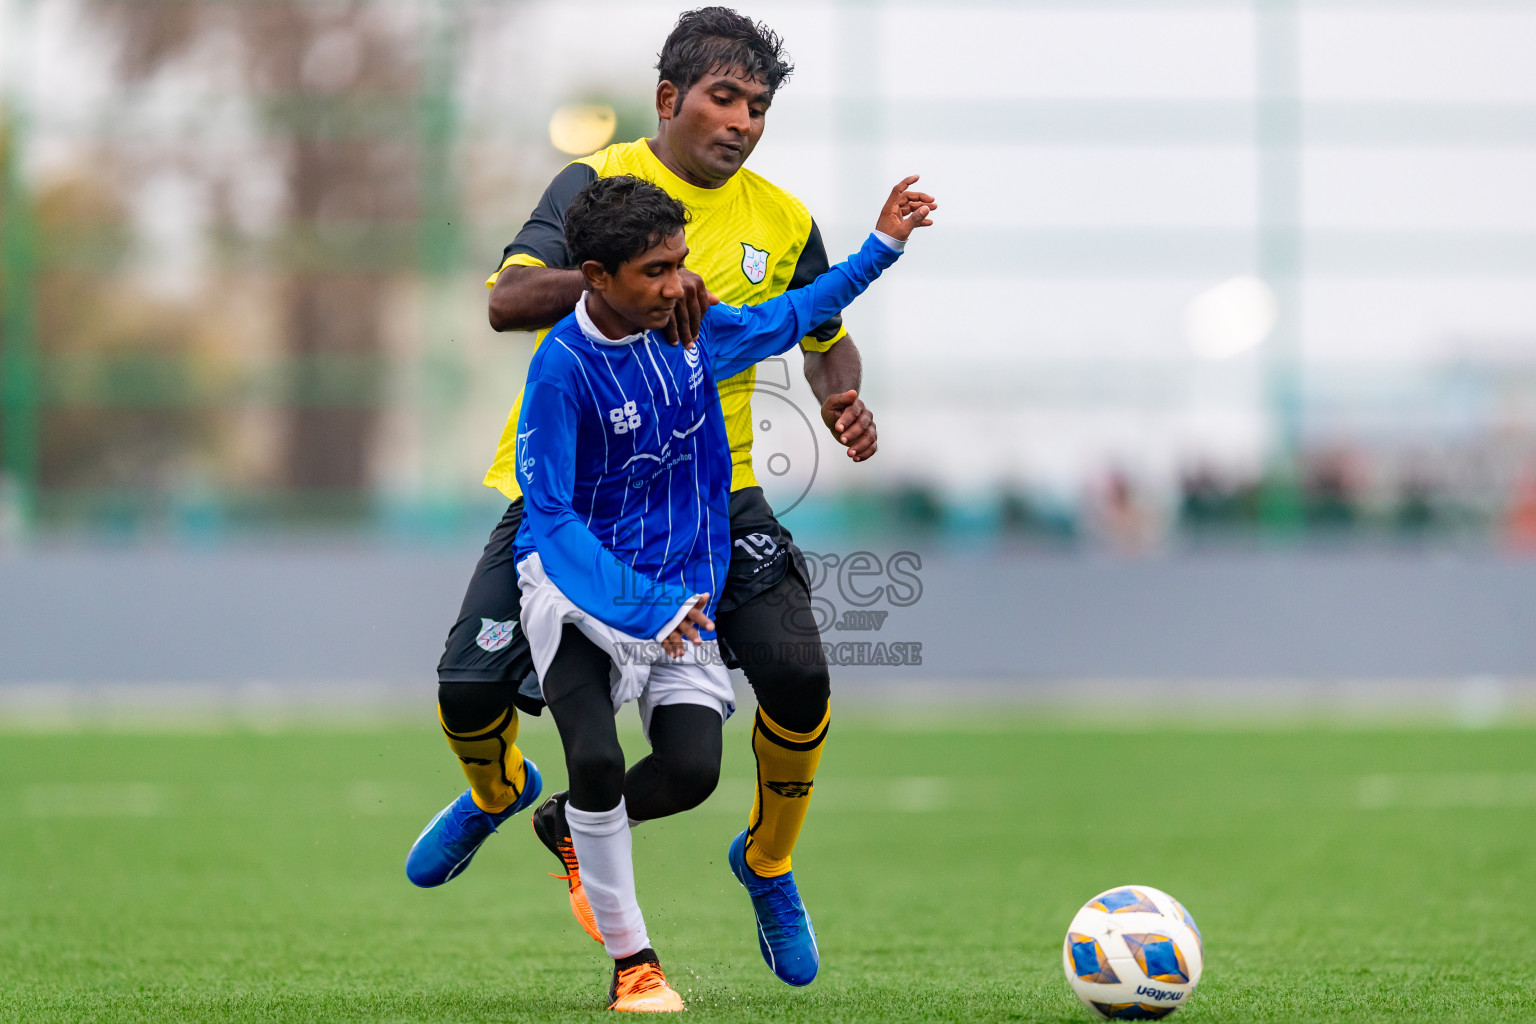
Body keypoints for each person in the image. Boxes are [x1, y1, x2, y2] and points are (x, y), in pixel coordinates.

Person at [406, 6, 937, 989]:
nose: (741, 120)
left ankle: (767, 863)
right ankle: (500, 791)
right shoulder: (597, 183)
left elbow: (817, 330)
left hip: (714, 493)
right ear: (669, 99)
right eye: (723, 97)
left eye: (759, 106)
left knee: (801, 678)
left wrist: (841, 398)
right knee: (468, 691)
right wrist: (630, 285)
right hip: (574, 492)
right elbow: (506, 301)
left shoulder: (783, 222)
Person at [505, 171, 929, 1011]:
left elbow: (795, 314)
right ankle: (636, 966)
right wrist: (640, 604)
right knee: (595, 757)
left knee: (693, 772)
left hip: (681, 593)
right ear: (595, 277)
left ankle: (569, 828)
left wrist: (882, 246)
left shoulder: (695, 331)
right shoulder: (561, 372)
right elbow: (550, 519)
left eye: (680, 263)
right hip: (582, 596)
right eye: (656, 272)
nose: (680, 285)